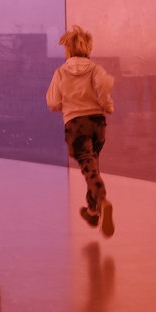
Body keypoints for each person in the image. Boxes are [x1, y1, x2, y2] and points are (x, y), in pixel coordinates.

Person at [45, 25, 116, 236]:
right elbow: (104, 88)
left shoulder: (61, 72)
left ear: (68, 50)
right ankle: (93, 210)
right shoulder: (95, 69)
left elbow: (52, 102)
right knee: (92, 164)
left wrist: (64, 105)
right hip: (97, 123)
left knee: (87, 164)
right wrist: (107, 106)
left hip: (76, 123)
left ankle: (102, 200)